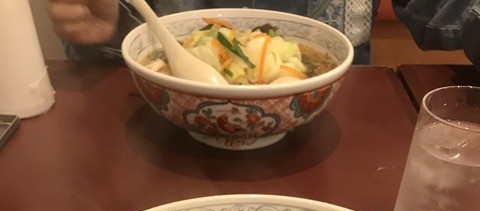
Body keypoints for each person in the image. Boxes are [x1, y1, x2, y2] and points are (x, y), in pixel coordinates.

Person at [47, 0, 480, 68]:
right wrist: (105, 27)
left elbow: (449, 10)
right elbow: (111, 35)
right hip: (158, 132)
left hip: (329, 126)